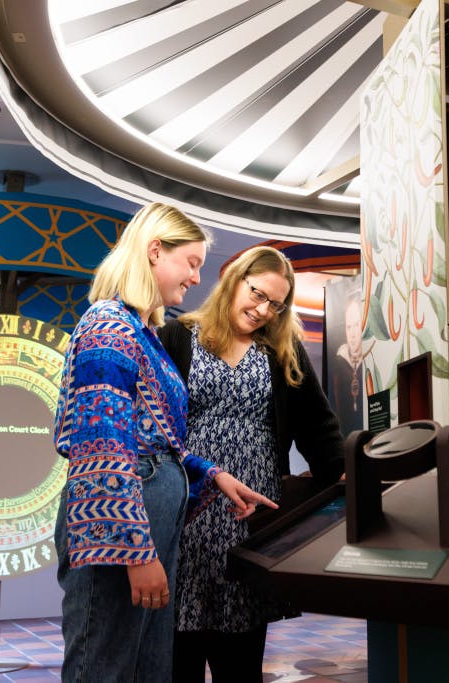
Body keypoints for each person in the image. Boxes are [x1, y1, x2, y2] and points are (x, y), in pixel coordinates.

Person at [52, 203, 276, 682]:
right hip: (124, 530)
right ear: (156, 252)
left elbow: (155, 439)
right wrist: (136, 552)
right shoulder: (108, 326)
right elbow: (102, 448)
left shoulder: (142, 332)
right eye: (192, 262)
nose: (197, 278)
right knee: (105, 669)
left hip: (148, 521)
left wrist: (212, 474)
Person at [157, 245, 345, 682]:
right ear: (235, 281)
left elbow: (318, 425)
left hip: (251, 517)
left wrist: (341, 475)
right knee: (177, 655)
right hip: (186, 513)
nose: (263, 310)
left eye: (275, 305)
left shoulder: (283, 350)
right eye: (257, 295)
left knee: (240, 659)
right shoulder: (176, 336)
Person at [328, 278, 365, 438]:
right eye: (349, 327)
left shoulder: (372, 362)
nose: (353, 333)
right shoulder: (337, 365)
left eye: (357, 325)